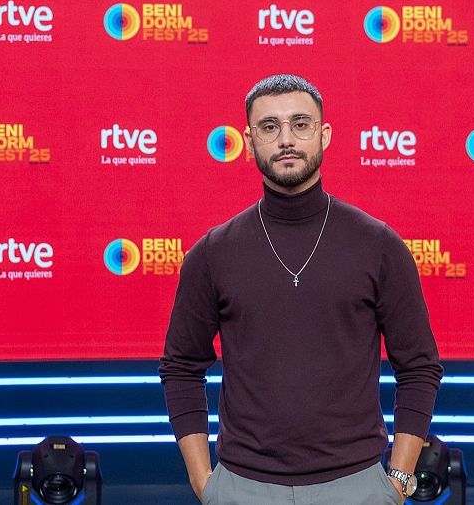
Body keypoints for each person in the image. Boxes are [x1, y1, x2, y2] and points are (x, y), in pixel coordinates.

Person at [159, 74, 443, 504]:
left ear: (324, 135)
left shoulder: (379, 245)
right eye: (270, 127)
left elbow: (419, 366)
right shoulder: (213, 253)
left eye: (301, 124)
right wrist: (207, 484)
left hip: (359, 487)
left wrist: (398, 482)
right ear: (249, 141)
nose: (286, 139)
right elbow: (181, 367)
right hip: (242, 488)